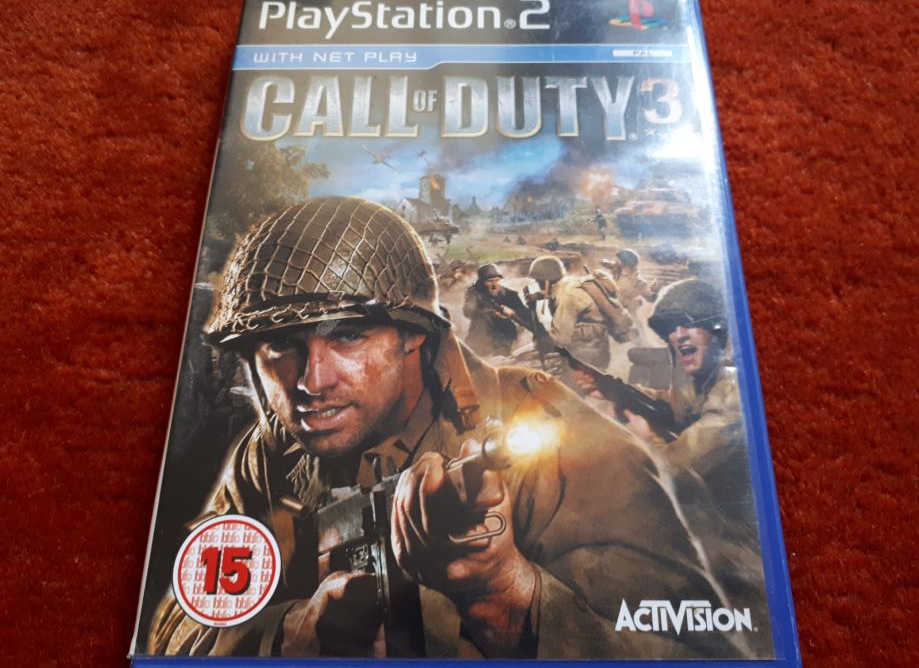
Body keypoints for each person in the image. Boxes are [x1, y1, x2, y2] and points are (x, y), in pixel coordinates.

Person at [148, 199, 738, 659]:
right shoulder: (271, 451)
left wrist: (509, 595)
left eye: (348, 335)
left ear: (413, 334)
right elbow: (177, 626)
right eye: (279, 346)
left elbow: (711, 650)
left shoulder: (546, 427)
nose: (312, 381)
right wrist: (292, 634)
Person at [574, 279, 771, 655]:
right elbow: (673, 408)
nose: (677, 335)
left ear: (717, 330)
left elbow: (675, 461)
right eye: (670, 328)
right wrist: (614, 389)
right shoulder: (698, 381)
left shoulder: (734, 393)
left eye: (688, 324)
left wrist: (647, 439)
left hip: (736, 543)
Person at [527, 256, 632, 370]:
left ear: (546, 281)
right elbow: (559, 292)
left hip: (586, 354)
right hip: (597, 347)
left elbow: (561, 338)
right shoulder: (571, 283)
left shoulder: (566, 297)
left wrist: (541, 341)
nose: (537, 283)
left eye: (538, 280)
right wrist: (539, 296)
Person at [462, 263, 530, 357]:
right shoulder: (474, 293)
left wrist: (512, 312)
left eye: (496, 280)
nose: (494, 285)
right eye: (489, 281)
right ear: (482, 281)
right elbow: (468, 312)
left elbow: (525, 314)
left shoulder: (510, 294)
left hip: (503, 335)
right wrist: (492, 313)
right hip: (481, 334)